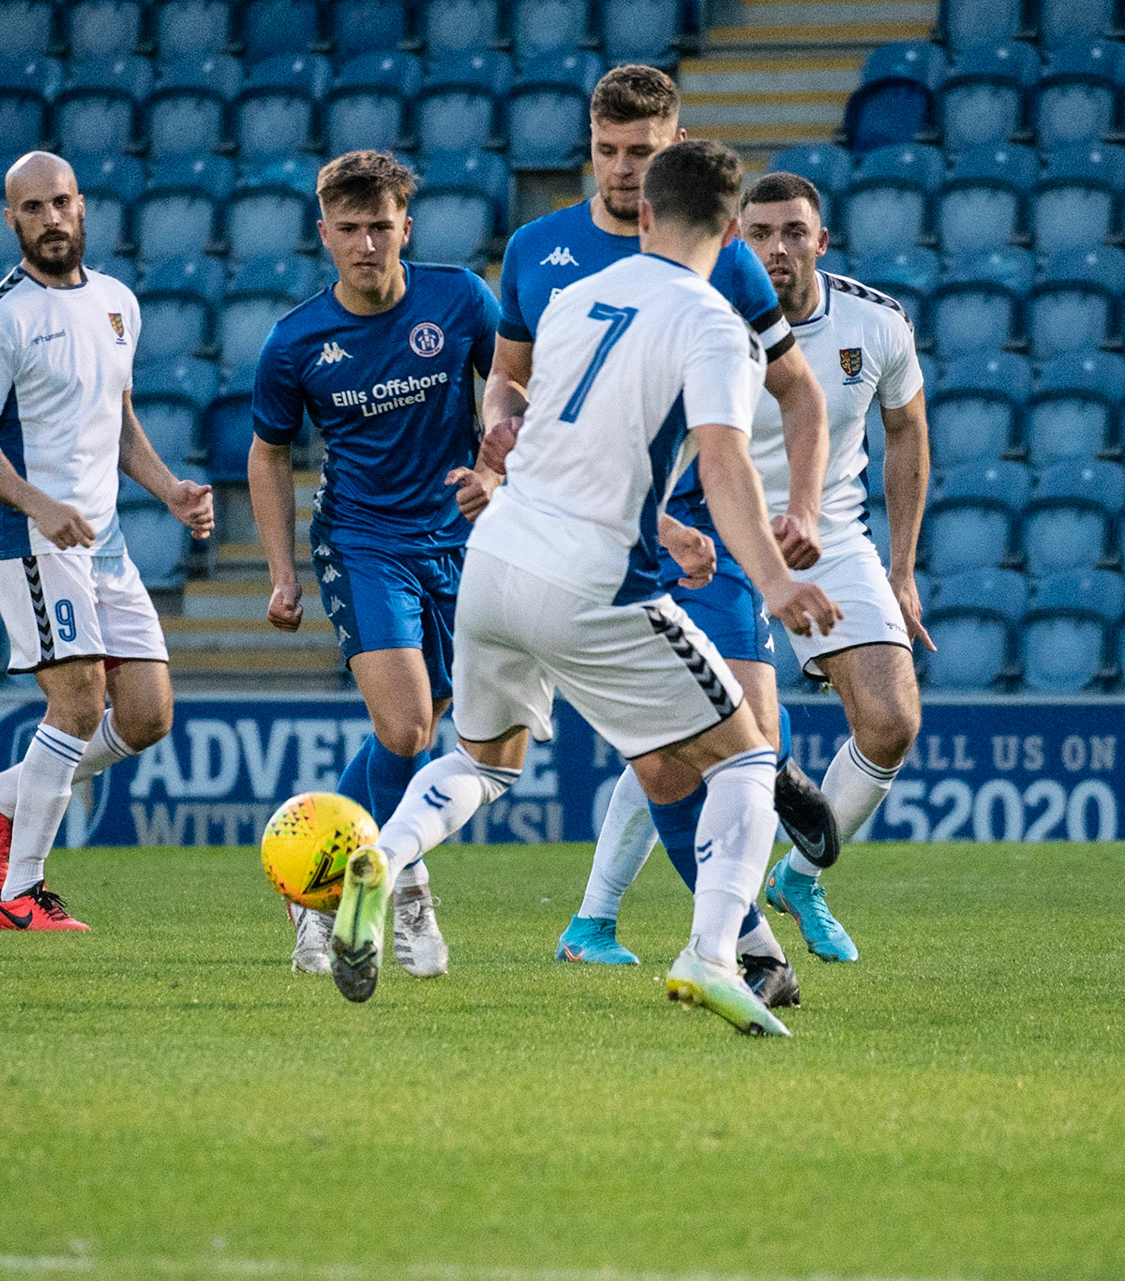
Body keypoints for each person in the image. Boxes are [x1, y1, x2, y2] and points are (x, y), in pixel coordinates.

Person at [327, 140, 840, 1036]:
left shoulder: (572, 301)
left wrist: (664, 527)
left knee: (483, 761)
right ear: (733, 234)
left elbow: (541, 432)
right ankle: (715, 955)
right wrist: (776, 576)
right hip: (595, 584)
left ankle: (385, 851)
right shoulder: (715, 324)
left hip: (496, 558)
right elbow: (724, 462)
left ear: (643, 214)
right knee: (748, 758)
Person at [459, 64, 836, 1005]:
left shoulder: (723, 257)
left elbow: (798, 391)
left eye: (642, 152)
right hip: (596, 534)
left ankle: (742, 849)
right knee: (664, 762)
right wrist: (501, 430)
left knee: (747, 734)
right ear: (589, 147)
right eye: (607, 150)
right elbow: (507, 379)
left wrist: (804, 508)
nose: (623, 169)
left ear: (676, 149)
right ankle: (746, 949)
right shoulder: (538, 249)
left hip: (711, 522)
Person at [0, 151, 215, 932]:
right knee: (77, 701)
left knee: (148, 714)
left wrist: (168, 490)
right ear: (11, 220)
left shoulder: (118, 303)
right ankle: (20, 894)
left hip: (105, 542)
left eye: (61, 202)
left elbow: (117, 420)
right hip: (34, 540)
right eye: (33, 208)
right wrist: (40, 503)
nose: (51, 218)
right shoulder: (1, 320)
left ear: (82, 205)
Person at [249, 151, 501, 980]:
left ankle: (312, 884)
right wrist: (282, 572)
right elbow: (267, 452)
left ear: (406, 228)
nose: (366, 243)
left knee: (420, 729)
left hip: (460, 541)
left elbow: (515, 389)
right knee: (406, 727)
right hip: (363, 542)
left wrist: (495, 472)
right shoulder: (295, 341)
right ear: (324, 234)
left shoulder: (461, 299)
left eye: (380, 226)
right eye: (349, 228)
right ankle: (408, 888)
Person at [743, 173, 930, 960]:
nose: (777, 248)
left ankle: (799, 878)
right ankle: (596, 914)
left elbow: (907, 431)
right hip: (721, 530)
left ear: (821, 241)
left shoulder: (876, 322)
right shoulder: (703, 315)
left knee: (892, 720)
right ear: (737, 241)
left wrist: (901, 569)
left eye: (793, 232)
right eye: (760, 233)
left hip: (832, 534)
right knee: (698, 731)